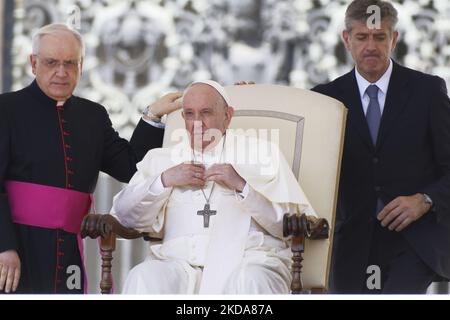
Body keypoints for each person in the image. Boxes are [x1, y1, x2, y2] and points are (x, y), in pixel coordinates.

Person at [0, 23, 181, 294]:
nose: (62, 72)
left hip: (69, 248)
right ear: (33, 63)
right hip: (17, 246)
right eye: (52, 63)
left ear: (81, 66)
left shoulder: (93, 116)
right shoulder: (6, 109)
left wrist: (152, 116)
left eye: (71, 63)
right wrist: (4, 246)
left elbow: (131, 167)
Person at [111, 80, 316, 294]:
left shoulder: (263, 154)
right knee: (143, 277)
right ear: (183, 118)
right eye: (189, 114)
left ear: (227, 116)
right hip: (179, 266)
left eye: (206, 112)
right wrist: (164, 180)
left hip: (247, 260)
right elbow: (125, 215)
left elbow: (288, 225)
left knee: (252, 279)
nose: (197, 123)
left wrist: (241, 186)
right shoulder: (161, 159)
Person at [312, 0, 450, 293]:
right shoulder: (324, 100)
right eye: (362, 37)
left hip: (414, 242)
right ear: (346, 40)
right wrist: (255, 103)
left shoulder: (428, 91)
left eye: (380, 37)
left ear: (394, 39)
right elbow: (299, 161)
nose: (371, 46)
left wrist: (424, 199)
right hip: (349, 245)